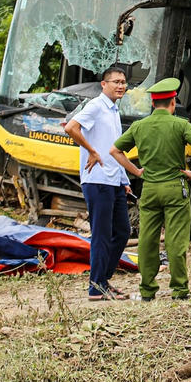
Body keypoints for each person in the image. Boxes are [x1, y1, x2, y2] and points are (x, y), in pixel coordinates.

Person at [110, 78, 191, 301]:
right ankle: (180, 290)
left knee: (147, 239)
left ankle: (147, 290)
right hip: (176, 188)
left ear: (153, 104)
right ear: (173, 102)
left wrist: (136, 172)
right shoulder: (181, 124)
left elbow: (114, 151)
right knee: (176, 240)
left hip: (150, 190)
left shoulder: (139, 126)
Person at [64, 66, 132, 301]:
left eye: (123, 82)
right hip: (97, 180)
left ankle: (103, 279)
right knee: (102, 234)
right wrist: (90, 150)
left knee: (123, 231)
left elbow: (114, 148)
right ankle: (96, 286)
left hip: (114, 180)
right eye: (115, 82)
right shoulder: (96, 106)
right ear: (104, 85)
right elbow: (71, 127)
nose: (121, 85)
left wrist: (124, 179)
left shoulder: (114, 110)